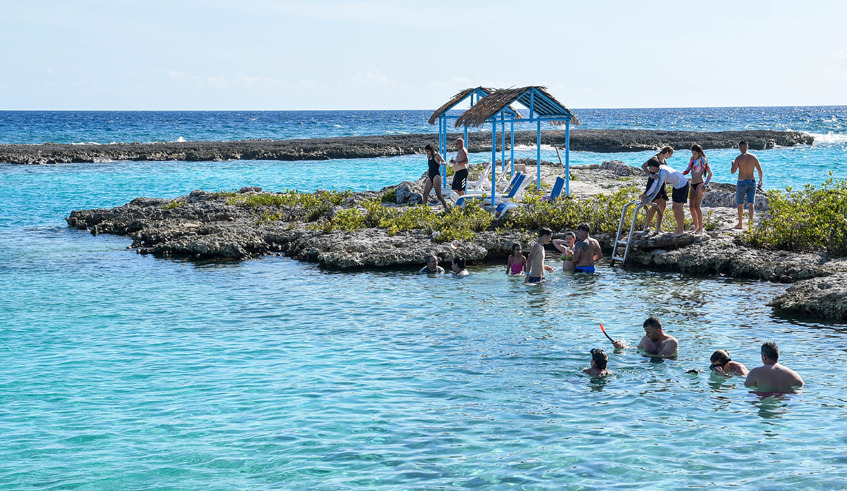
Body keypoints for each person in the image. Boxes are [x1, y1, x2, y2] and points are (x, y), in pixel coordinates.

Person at [640, 159, 690, 237]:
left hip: (683, 185)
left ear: (653, 166)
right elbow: (654, 184)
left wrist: (648, 199)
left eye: (650, 167)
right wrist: (646, 194)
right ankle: (679, 229)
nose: (649, 170)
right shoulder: (659, 170)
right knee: (674, 208)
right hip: (676, 186)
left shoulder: (663, 173)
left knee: (678, 208)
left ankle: (681, 230)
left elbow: (657, 188)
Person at [731, 140, 764, 229]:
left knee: (740, 203)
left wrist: (733, 164)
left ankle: (740, 223)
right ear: (747, 148)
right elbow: (760, 171)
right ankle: (750, 223)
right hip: (751, 181)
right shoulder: (753, 157)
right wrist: (760, 181)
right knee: (750, 203)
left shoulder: (738, 158)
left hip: (741, 182)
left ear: (740, 148)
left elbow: (733, 172)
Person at [640, 146, 674, 234]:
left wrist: (665, 187)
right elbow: (643, 166)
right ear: (667, 153)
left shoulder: (664, 161)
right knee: (655, 205)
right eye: (670, 155)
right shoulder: (655, 158)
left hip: (662, 185)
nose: (669, 157)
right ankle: (646, 226)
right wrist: (651, 175)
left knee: (662, 205)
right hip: (653, 183)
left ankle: (659, 226)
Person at [612, 316, 678, 357]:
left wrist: (644, 355)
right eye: (646, 332)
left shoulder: (671, 342)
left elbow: (661, 357)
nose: (646, 335)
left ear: (658, 331)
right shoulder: (645, 339)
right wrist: (621, 347)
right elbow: (636, 349)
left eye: (649, 332)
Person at [682, 144, 713, 234]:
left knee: (697, 206)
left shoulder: (703, 160)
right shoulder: (692, 159)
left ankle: (701, 227)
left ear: (699, 153)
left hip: (700, 183)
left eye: (695, 153)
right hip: (692, 184)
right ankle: (696, 226)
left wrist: (705, 184)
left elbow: (710, 173)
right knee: (691, 206)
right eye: (693, 153)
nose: (693, 155)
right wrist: (681, 174)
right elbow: (688, 169)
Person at [422, 144, 450, 209]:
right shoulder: (429, 157)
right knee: (425, 194)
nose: (427, 153)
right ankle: (424, 210)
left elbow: (444, 161)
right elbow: (430, 168)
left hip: (436, 176)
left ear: (431, 150)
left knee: (439, 196)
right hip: (430, 176)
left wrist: (443, 163)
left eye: (428, 151)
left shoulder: (437, 155)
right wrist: (426, 177)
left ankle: (447, 208)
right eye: (426, 152)